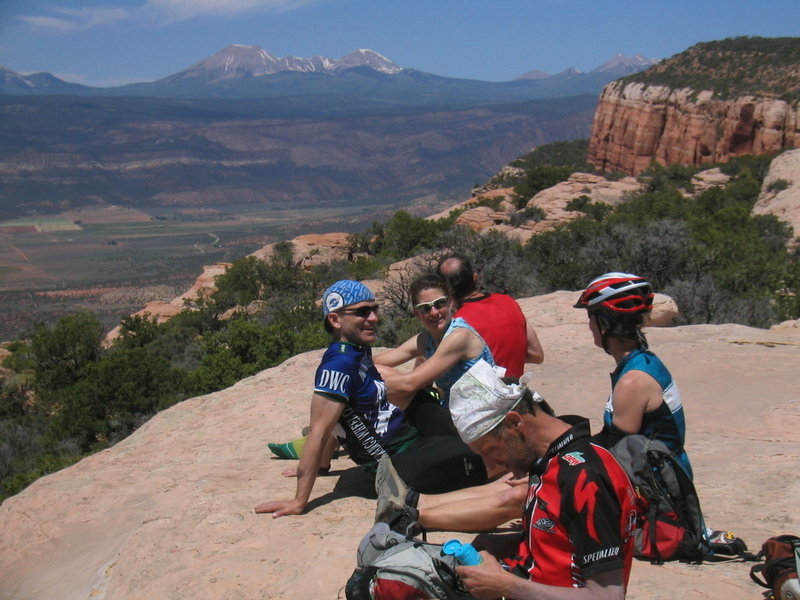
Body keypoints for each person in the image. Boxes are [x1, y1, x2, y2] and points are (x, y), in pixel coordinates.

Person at [254, 280, 488, 518]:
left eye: (374, 309)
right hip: (396, 466)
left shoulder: (357, 351)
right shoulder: (338, 366)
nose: (374, 318)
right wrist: (299, 500)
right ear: (335, 320)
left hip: (410, 444)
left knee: (485, 443)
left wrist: (322, 467)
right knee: (488, 458)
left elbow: (337, 424)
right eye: (362, 312)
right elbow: (320, 430)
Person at [446, 359, 636, 599]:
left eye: (490, 449)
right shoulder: (549, 461)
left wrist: (506, 585)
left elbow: (607, 595)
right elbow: (566, 545)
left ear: (515, 423)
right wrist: (504, 543)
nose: (490, 464)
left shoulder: (584, 477)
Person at [572, 272, 692, 477]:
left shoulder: (633, 380)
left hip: (656, 496)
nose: (589, 326)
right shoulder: (645, 360)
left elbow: (616, 456)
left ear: (604, 323)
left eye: (590, 318)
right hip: (667, 479)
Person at [374, 272, 494, 410]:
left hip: (482, 412)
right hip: (455, 409)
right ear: (417, 313)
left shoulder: (460, 336)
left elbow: (410, 384)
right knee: (377, 371)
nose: (434, 312)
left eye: (439, 303)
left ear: (450, 302)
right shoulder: (426, 339)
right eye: (425, 308)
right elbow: (376, 362)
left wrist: (362, 386)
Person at [437, 252, 544, 378]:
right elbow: (536, 355)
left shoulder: (457, 324)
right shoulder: (509, 302)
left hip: (483, 395)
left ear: (445, 290)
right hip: (515, 392)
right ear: (475, 277)